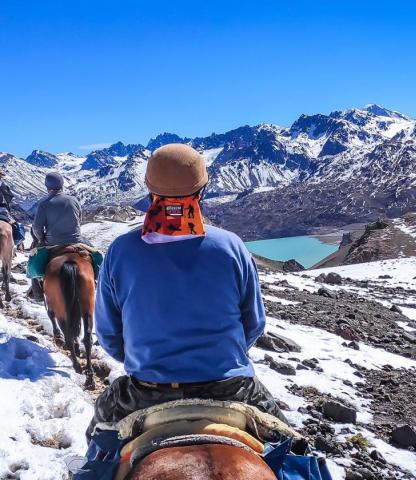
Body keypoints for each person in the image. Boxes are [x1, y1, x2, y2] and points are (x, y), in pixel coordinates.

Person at [87, 143, 286, 440]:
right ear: (201, 190)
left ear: (149, 190)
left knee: (98, 444)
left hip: (147, 391)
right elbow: (253, 322)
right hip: (230, 387)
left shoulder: (121, 251)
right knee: (293, 450)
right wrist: (221, 357)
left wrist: (144, 359)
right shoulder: (231, 246)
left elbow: (108, 334)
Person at [28, 172, 87, 301]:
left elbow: (37, 228)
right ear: (62, 185)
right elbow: (79, 220)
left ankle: (37, 294)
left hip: (52, 242)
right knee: (94, 254)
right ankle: (97, 280)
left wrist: (41, 239)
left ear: (47, 186)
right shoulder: (74, 200)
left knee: (33, 260)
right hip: (76, 240)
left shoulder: (44, 203)